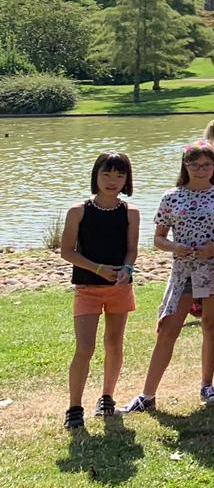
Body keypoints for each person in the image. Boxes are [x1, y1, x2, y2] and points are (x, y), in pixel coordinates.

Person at [122, 141, 214, 413]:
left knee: (211, 327)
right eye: (195, 164)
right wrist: (174, 247)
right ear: (185, 166)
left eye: (207, 164)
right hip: (183, 272)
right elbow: (158, 238)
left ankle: (207, 384)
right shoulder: (171, 197)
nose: (201, 170)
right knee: (168, 328)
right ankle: (147, 394)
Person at [62, 151, 139, 428]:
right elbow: (67, 251)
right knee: (85, 347)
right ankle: (74, 407)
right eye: (107, 174)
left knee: (114, 344)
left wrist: (127, 270)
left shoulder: (131, 212)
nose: (112, 180)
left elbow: (132, 250)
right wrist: (97, 269)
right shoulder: (78, 211)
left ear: (127, 180)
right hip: (87, 287)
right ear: (96, 175)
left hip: (119, 288)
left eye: (120, 175)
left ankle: (107, 397)